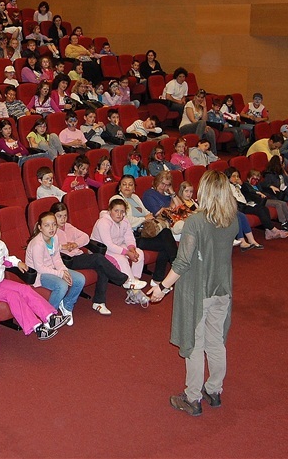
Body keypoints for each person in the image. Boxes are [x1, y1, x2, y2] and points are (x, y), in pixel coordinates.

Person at [148, 170, 238, 417]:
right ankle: (214, 390)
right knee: (216, 341)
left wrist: (162, 287)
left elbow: (182, 262)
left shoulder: (195, 222)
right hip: (223, 289)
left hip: (200, 291)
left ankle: (192, 396)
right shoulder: (233, 218)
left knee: (195, 344)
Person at [0, 218, 66, 340]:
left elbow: (6, 259)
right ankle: (37, 327)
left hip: (1, 281)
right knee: (13, 296)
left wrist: (18, 263)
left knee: (25, 289)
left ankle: (50, 317)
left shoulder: (1, 245)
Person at [51, 204, 146, 315]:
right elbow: (47, 246)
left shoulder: (68, 227)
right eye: (59, 216)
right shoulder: (52, 230)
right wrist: (63, 247)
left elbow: (85, 237)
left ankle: (99, 303)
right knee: (99, 258)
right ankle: (125, 281)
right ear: (53, 216)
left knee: (102, 267)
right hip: (66, 260)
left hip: (78, 255)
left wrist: (75, 243)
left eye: (65, 216)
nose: (63, 219)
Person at [112, 175, 178, 288]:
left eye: (130, 184)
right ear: (119, 187)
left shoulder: (135, 198)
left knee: (166, 232)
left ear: (134, 188)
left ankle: (169, 271)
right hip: (132, 237)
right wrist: (144, 219)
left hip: (144, 232)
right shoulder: (116, 200)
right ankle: (167, 274)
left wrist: (148, 217)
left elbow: (146, 212)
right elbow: (126, 221)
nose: (127, 186)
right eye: (124, 184)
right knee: (166, 245)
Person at [90, 198, 151, 308]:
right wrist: (127, 253)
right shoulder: (103, 222)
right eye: (116, 211)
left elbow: (129, 236)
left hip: (118, 245)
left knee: (139, 253)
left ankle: (133, 286)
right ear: (110, 210)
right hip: (101, 249)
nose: (119, 214)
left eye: (122, 211)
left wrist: (132, 248)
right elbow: (108, 244)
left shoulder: (125, 220)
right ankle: (135, 290)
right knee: (122, 260)